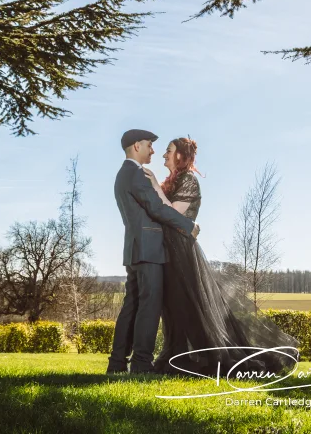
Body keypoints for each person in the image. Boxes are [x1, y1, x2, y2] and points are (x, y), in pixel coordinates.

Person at [141, 136, 299, 378]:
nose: (164, 154)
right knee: (172, 307)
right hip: (168, 250)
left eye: (168, 151)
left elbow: (173, 213)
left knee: (187, 306)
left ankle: (208, 359)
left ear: (181, 156)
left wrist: (154, 185)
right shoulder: (172, 182)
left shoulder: (190, 181)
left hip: (182, 253)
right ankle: (176, 356)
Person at [108, 129, 200, 374]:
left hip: (136, 248)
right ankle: (140, 362)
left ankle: (117, 362)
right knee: (149, 306)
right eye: (149, 145)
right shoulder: (135, 174)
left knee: (133, 305)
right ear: (137, 146)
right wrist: (188, 226)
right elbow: (156, 207)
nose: (153, 150)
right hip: (149, 249)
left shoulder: (124, 173)